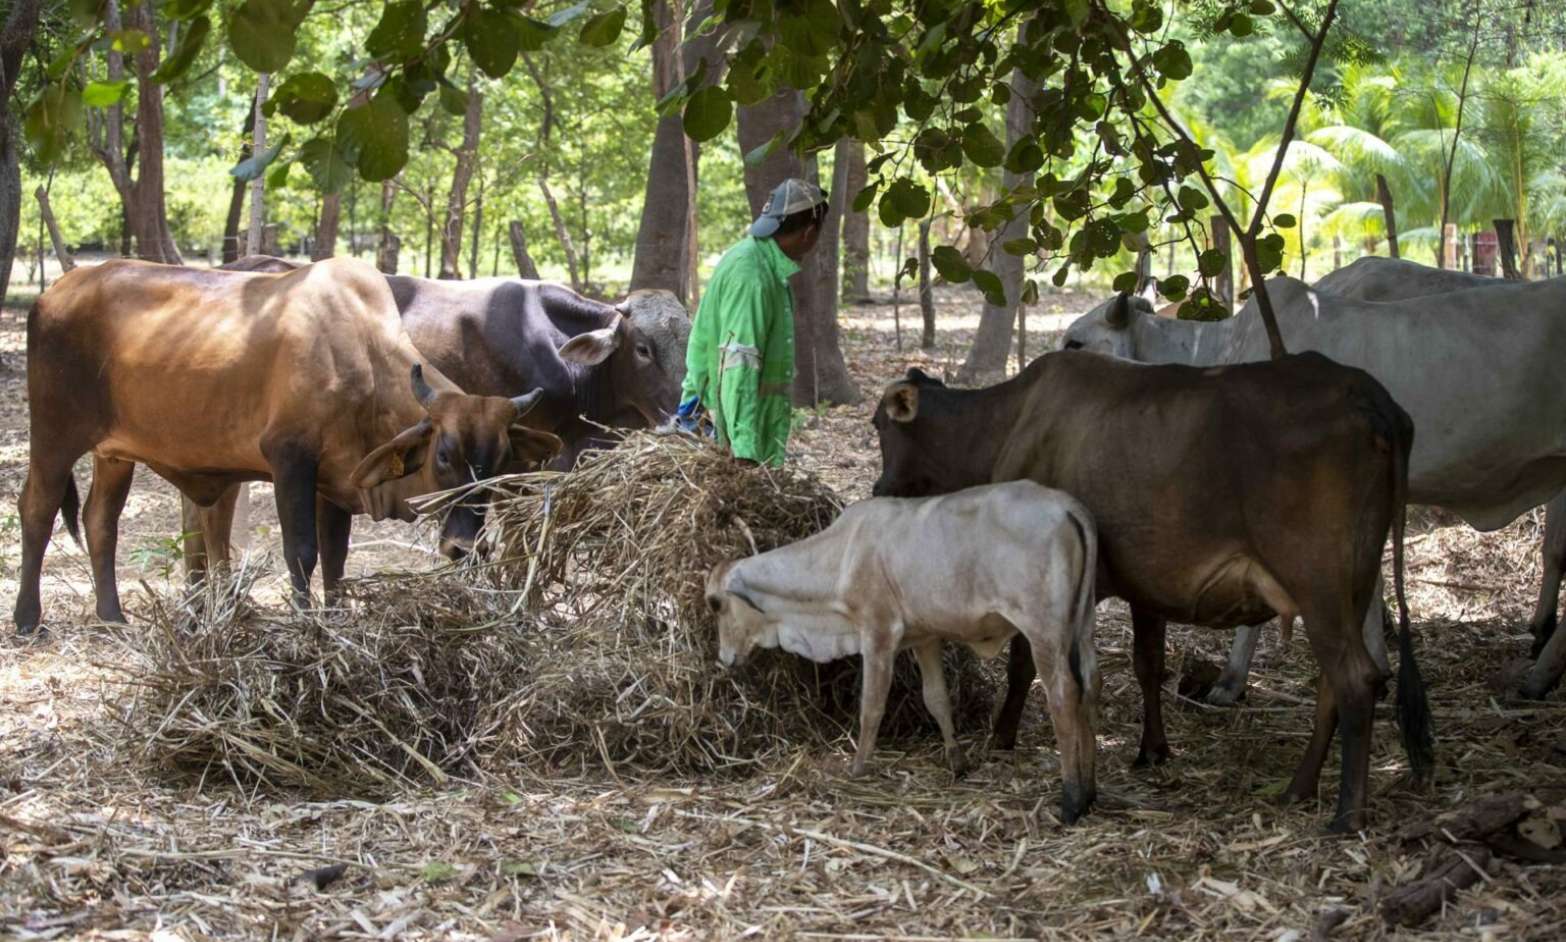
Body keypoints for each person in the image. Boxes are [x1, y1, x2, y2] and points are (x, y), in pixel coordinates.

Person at [677, 178, 829, 466]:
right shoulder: (752, 276)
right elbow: (738, 363)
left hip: (744, 425)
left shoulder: (764, 264)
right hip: (724, 432)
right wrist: (743, 450)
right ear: (809, 233)